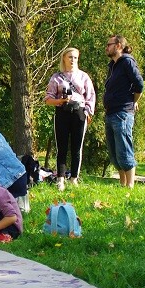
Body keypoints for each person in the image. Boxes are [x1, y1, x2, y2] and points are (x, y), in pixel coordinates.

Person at [44, 46, 96, 190]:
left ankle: (74, 178)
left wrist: (87, 112)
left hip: (79, 112)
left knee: (77, 147)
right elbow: (48, 99)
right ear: (64, 59)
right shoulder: (56, 77)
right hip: (62, 112)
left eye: (75, 57)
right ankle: (60, 178)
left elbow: (91, 96)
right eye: (70, 57)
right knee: (61, 147)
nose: (72, 60)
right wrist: (60, 101)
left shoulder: (83, 76)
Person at [104, 34, 144, 189]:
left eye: (109, 44)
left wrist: (134, 102)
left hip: (123, 113)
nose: (107, 47)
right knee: (114, 152)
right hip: (111, 112)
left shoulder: (127, 62)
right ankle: (122, 184)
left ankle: (130, 186)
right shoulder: (112, 66)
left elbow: (139, 84)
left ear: (119, 45)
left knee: (124, 149)